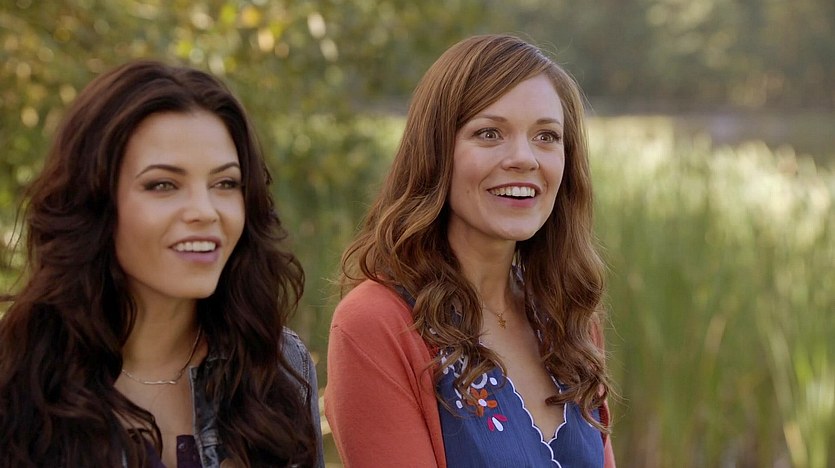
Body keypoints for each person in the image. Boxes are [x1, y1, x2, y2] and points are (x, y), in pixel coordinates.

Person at [0, 60, 324, 467]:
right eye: (163, 184)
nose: (205, 211)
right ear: (94, 202)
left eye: (225, 183)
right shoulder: (17, 380)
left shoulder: (277, 365)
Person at [325, 34, 616, 467]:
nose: (524, 158)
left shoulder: (567, 315)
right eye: (489, 133)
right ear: (436, 152)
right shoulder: (376, 323)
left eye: (546, 136)